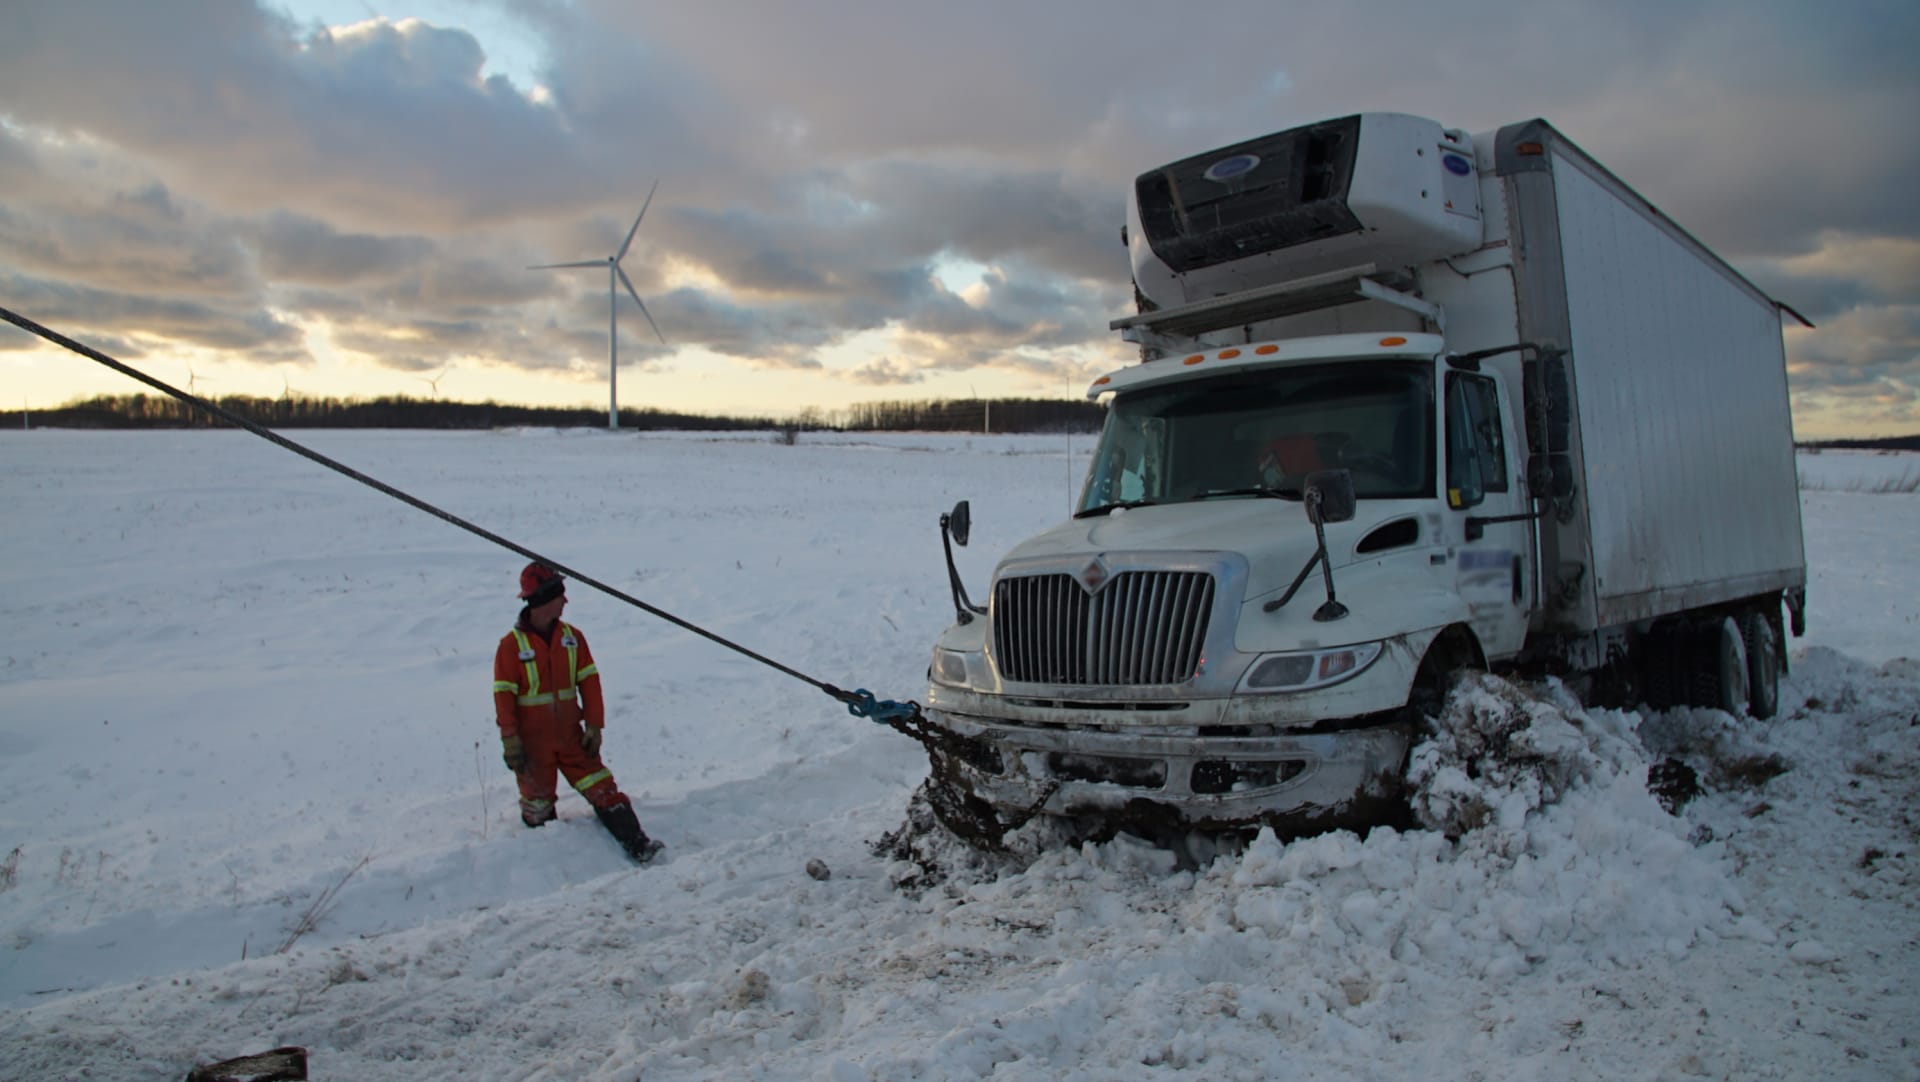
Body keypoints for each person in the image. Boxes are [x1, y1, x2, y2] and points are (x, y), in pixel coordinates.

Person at [493, 562, 663, 864]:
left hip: (572, 739)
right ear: (544, 599)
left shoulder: (573, 638)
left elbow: (590, 682)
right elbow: (504, 697)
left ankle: (638, 845)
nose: (565, 601)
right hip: (534, 748)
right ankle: (546, 872)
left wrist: (594, 726)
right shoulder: (510, 646)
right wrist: (510, 739)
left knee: (604, 789)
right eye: (560, 594)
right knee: (537, 807)